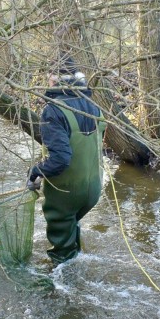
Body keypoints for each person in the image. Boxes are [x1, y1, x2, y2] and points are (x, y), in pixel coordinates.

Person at [27, 56, 106, 264]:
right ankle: (77, 261)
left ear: (54, 79)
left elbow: (61, 159)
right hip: (93, 189)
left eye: (48, 77)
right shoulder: (94, 106)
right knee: (72, 228)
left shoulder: (53, 110)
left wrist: (35, 172)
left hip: (66, 192)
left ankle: (63, 278)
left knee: (61, 257)